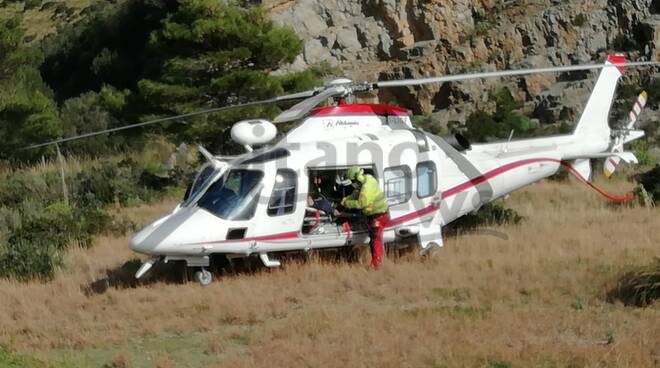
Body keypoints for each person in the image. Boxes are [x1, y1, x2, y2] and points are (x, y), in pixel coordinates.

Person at [340, 166, 389, 268]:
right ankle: (376, 262)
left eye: (353, 181)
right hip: (372, 214)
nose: (353, 183)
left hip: (379, 214)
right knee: (373, 239)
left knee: (375, 238)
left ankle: (377, 264)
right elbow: (356, 194)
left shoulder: (368, 185)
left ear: (357, 177)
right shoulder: (362, 183)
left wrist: (347, 203)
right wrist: (345, 199)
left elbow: (361, 203)